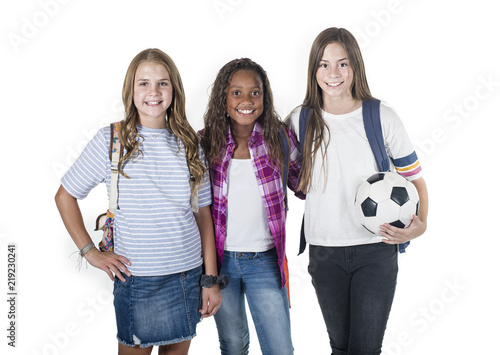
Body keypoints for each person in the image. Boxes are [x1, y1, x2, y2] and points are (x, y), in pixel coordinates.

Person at [54, 48, 222, 355]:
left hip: (187, 276)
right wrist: (90, 252)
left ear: (175, 90)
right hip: (137, 280)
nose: (154, 92)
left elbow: (203, 217)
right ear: (130, 90)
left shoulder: (190, 143)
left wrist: (209, 280)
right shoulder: (112, 140)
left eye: (163, 83)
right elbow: (65, 196)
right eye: (143, 83)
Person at [285, 28, 429, 355]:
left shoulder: (380, 116)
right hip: (324, 252)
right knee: (340, 347)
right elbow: (288, 177)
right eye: (323, 65)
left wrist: (422, 224)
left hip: (376, 249)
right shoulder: (300, 120)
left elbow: (415, 180)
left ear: (356, 67)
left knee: (364, 349)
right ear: (313, 70)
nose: (333, 74)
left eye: (342, 64)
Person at [200, 58, 303, 355]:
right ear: (223, 97)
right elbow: (193, 207)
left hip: (266, 262)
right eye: (236, 92)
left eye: (254, 93)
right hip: (221, 263)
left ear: (264, 97)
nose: (246, 100)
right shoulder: (206, 144)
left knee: (280, 348)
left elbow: (304, 185)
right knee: (233, 345)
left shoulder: (280, 139)